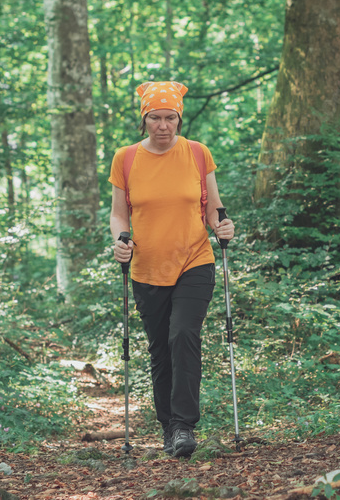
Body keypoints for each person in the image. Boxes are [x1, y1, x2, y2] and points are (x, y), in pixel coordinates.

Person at [108, 80, 235, 458]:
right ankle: (167, 428)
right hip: (146, 267)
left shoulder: (197, 154)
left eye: (170, 118)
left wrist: (222, 225)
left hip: (195, 259)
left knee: (183, 335)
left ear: (179, 119)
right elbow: (118, 214)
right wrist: (120, 240)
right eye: (155, 118)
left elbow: (213, 206)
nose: (163, 125)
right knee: (160, 350)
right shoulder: (126, 158)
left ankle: (183, 426)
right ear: (143, 119)